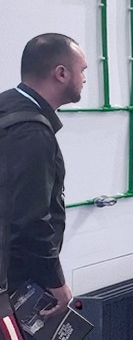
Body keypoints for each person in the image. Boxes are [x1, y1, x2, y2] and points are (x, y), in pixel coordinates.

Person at [0, 34, 87, 327]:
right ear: (61, 73)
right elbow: (30, 219)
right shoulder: (31, 131)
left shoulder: (6, 107)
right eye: (82, 70)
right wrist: (54, 281)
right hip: (12, 282)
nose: (84, 79)